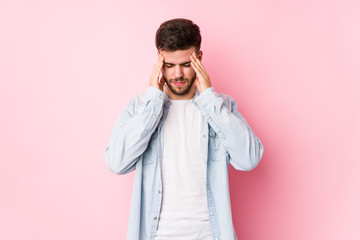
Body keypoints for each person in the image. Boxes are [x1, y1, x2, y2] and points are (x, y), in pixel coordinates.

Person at [104, 18, 264, 240]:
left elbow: (249, 159)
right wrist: (153, 100)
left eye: (186, 64)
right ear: (159, 61)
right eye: (169, 65)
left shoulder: (222, 107)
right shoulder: (139, 109)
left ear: (199, 58)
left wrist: (209, 98)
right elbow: (117, 163)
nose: (177, 74)